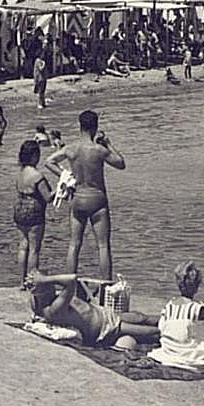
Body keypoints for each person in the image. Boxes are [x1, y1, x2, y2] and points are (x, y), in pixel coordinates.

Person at [44, 110, 125, 280]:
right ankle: (105, 287)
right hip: (97, 199)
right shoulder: (99, 150)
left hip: (78, 198)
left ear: (80, 126)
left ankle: (69, 286)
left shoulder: (71, 148)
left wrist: (64, 175)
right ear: (95, 127)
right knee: (102, 246)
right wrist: (108, 143)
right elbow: (120, 163)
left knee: (74, 244)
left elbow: (48, 161)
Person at [25, 270, 159, 347]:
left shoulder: (41, 297)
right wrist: (44, 279)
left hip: (105, 314)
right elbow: (72, 279)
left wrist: (37, 278)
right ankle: (175, 333)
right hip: (105, 329)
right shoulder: (52, 310)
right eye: (49, 284)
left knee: (141, 317)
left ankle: (174, 319)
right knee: (152, 333)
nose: (54, 286)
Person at [12, 140, 51, 281]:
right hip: (34, 211)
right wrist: (62, 189)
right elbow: (47, 197)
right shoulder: (37, 176)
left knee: (23, 246)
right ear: (34, 156)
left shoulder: (19, 173)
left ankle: (21, 281)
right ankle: (32, 281)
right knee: (34, 249)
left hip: (19, 209)